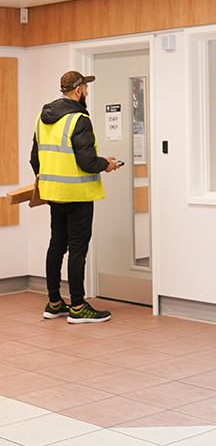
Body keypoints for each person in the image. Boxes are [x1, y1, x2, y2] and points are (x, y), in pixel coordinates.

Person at [30, 71, 120, 323]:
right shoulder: (78, 119)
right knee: (77, 249)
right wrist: (107, 164)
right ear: (78, 90)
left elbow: (34, 159)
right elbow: (87, 161)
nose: (87, 94)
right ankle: (78, 307)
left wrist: (51, 179)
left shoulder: (42, 117)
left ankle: (54, 302)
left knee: (56, 246)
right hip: (77, 195)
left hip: (53, 194)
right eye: (86, 89)